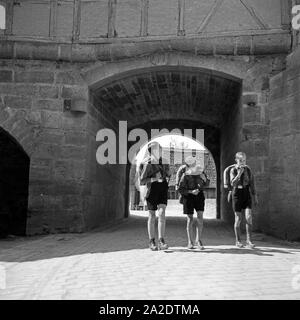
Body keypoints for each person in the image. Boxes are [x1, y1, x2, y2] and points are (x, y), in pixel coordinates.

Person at [139, 141, 171, 251]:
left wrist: (167, 174)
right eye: (158, 149)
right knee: (152, 216)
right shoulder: (147, 163)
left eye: (161, 149)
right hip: (151, 190)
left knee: (162, 213)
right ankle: (151, 241)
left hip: (162, 189)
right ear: (152, 151)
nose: (161, 151)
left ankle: (161, 241)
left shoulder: (164, 162)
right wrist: (154, 179)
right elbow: (142, 181)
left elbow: (169, 174)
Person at [178, 158, 209, 250]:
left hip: (199, 196)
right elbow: (181, 189)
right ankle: (190, 242)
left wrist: (205, 180)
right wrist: (191, 191)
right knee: (190, 219)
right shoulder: (185, 175)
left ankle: (198, 240)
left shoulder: (201, 173)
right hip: (188, 197)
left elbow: (207, 184)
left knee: (200, 217)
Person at [229, 152, 258, 249]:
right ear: (236, 160)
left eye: (244, 160)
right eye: (240, 160)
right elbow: (232, 183)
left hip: (246, 193)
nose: (242, 162)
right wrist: (239, 174)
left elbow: (252, 183)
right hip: (237, 194)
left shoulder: (248, 170)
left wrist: (255, 196)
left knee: (249, 217)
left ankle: (249, 241)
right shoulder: (232, 170)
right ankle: (238, 241)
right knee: (238, 219)